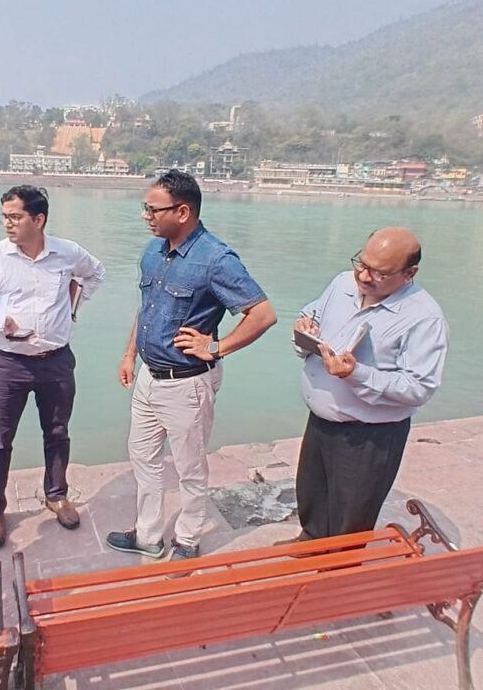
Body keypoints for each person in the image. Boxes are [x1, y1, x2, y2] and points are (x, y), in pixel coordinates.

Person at [106, 169, 277, 562]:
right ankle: (148, 535)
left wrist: (216, 347)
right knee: (143, 459)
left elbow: (262, 314)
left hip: (186, 384)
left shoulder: (215, 259)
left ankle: (187, 539)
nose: (145, 216)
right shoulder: (154, 252)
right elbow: (147, 309)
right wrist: (130, 354)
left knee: (190, 468)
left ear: (182, 212)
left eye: (153, 210)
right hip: (148, 377)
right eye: (145, 208)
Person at [0, 185, 106, 549]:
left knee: (57, 431)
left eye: (15, 217)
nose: (7, 224)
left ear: (39, 219)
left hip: (55, 359)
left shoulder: (67, 253)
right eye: (4, 217)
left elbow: (95, 273)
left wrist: (73, 306)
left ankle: (56, 495)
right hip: (7, 363)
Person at [290, 227, 448, 541]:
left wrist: (355, 374)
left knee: (350, 515)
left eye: (380, 273)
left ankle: (341, 566)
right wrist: (306, 326)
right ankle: (310, 544)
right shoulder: (342, 284)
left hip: (370, 434)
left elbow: (419, 387)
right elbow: (313, 312)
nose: (364, 277)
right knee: (312, 495)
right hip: (321, 420)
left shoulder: (424, 318)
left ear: (409, 273)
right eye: (361, 264)